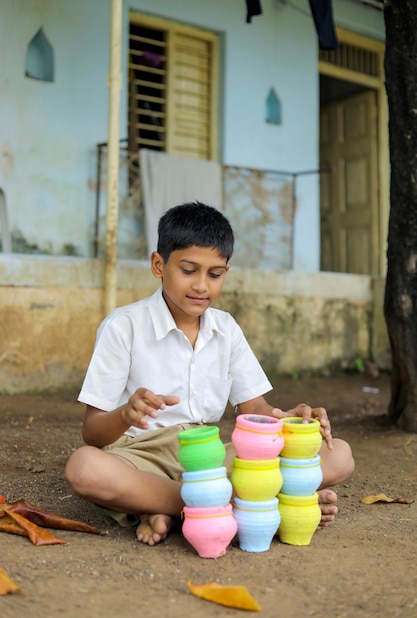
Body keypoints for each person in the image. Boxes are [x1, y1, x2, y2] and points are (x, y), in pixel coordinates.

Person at [65, 201, 354, 546]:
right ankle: (237, 505)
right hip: (140, 456)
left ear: (226, 272)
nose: (202, 285)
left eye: (214, 274)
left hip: (209, 458)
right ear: (159, 265)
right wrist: (126, 413)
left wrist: (289, 419)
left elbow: (255, 409)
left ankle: (163, 507)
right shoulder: (123, 326)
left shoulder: (226, 329)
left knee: (339, 455)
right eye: (189, 270)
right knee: (85, 468)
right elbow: (93, 434)